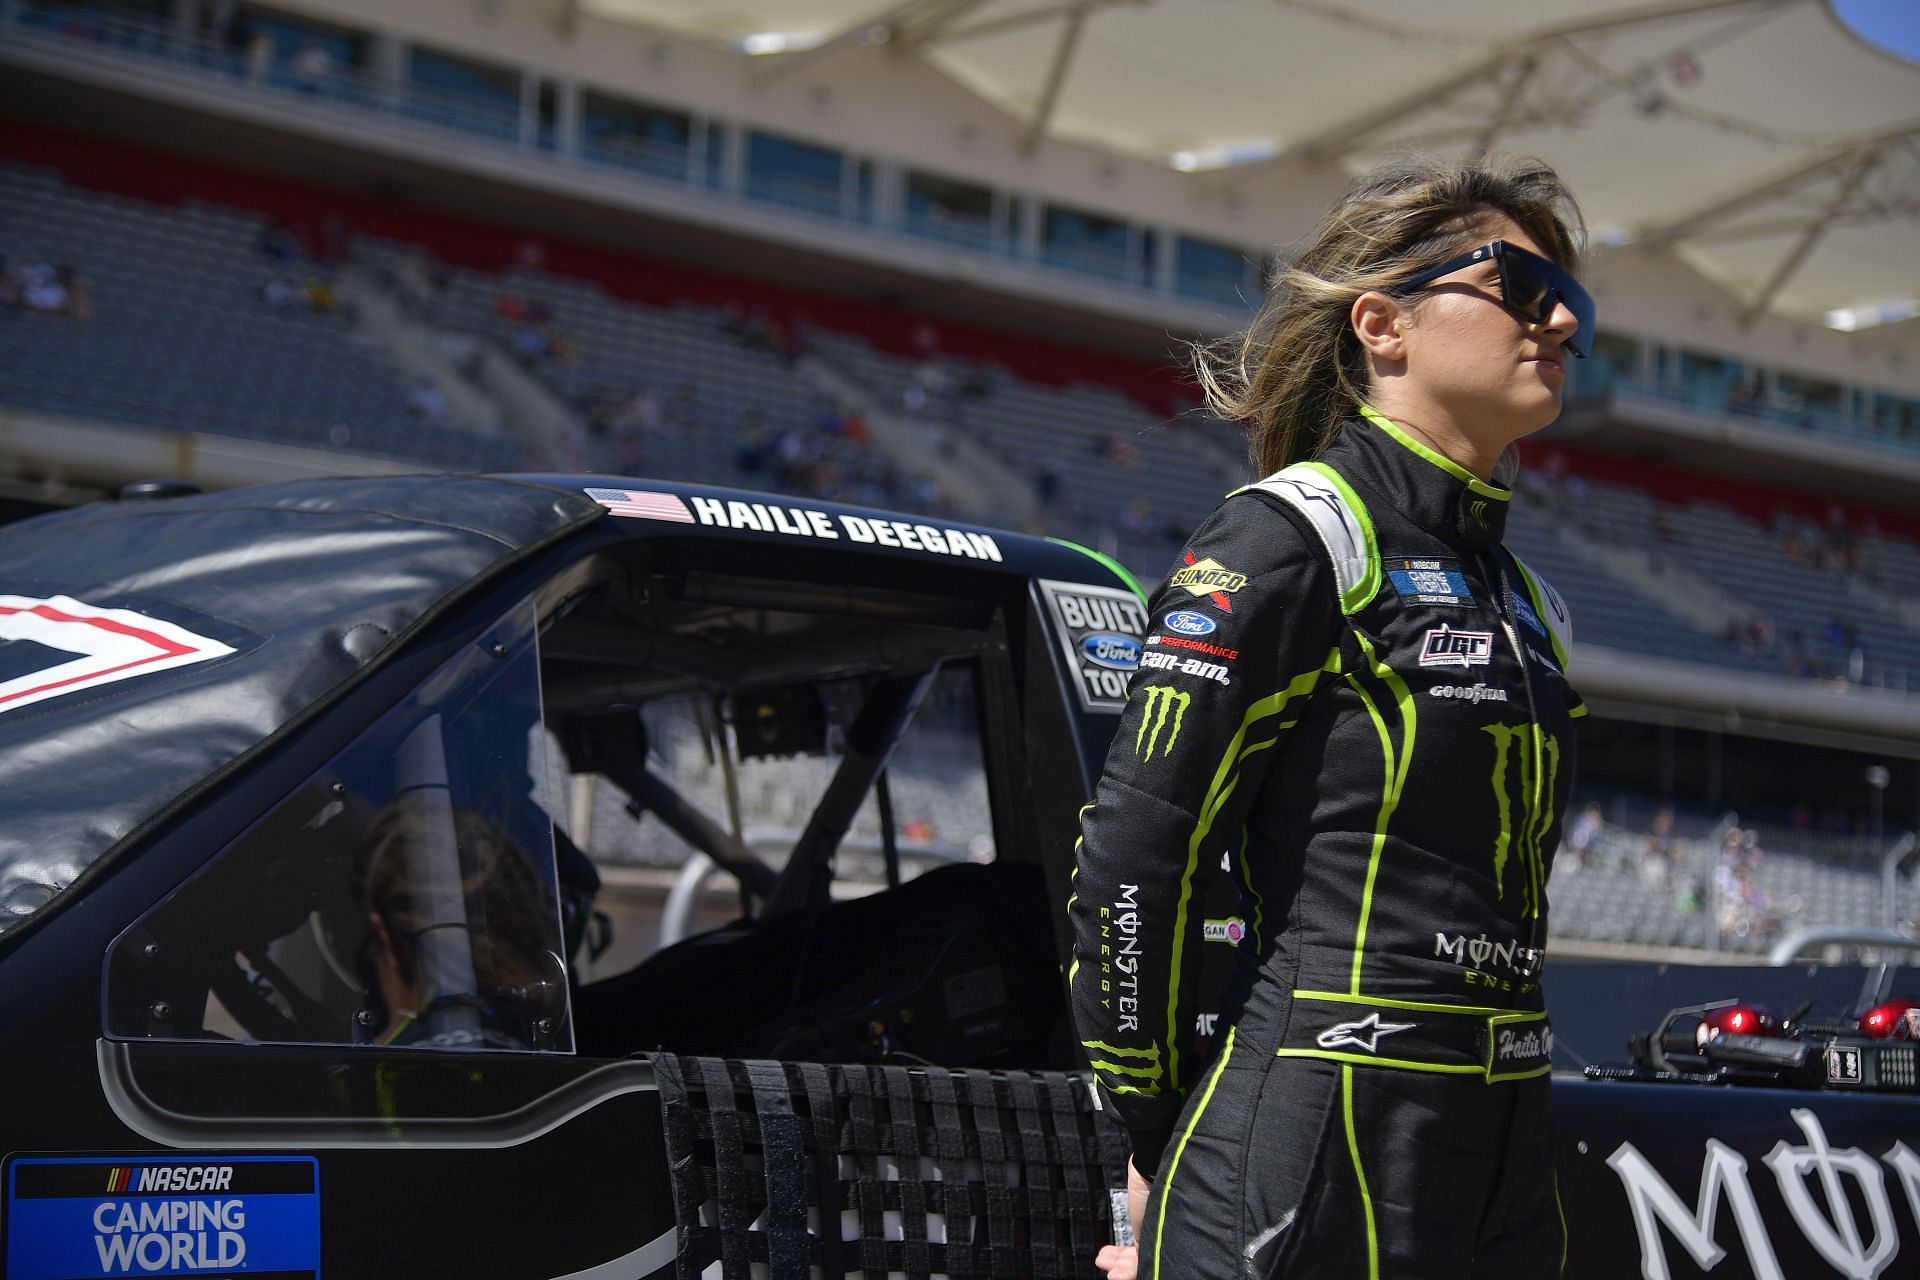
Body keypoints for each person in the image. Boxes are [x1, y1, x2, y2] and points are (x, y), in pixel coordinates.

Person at [1068, 154, 1591, 1279]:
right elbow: (1137, 850)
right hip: (1302, 1148)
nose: (1558, 318)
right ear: (1381, 324)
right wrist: (1153, 1138)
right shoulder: (1290, 537)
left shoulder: (1527, 600)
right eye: (1517, 282)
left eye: (1573, 301)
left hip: (1501, 1150)